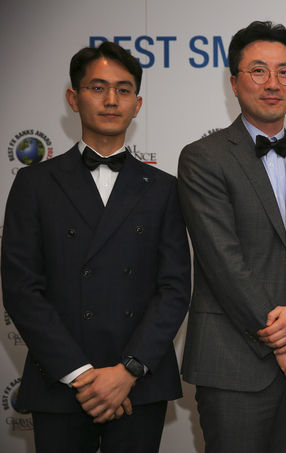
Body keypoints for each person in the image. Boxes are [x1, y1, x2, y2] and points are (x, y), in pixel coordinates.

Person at [1, 41, 191, 453]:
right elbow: (21, 288)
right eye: (97, 87)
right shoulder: (35, 184)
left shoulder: (164, 188)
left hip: (139, 382)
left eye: (123, 90)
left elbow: (175, 289)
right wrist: (82, 375)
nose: (111, 100)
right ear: (74, 98)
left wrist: (127, 371)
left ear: (137, 104)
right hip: (61, 380)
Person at [177, 21, 286, 453]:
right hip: (233, 364)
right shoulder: (203, 158)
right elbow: (222, 261)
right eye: (258, 71)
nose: (273, 83)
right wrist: (282, 342)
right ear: (234, 82)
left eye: (285, 72)